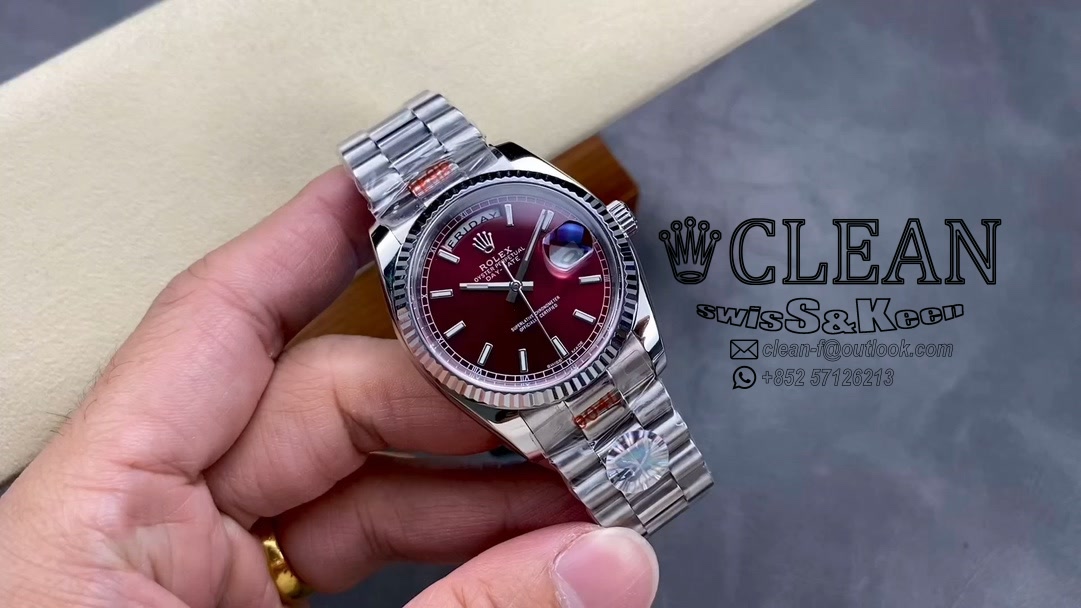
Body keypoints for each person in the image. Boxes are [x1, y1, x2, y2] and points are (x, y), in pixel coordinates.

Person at [0, 169, 660, 607]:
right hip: (518, 379)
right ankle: (652, 473)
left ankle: (654, 469)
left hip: (595, 344)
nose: (517, 285)